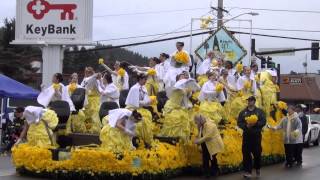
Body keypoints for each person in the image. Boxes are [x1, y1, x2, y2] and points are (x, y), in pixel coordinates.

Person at [237, 96, 266, 178]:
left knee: (257, 153)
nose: (249, 102)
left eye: (250, 100)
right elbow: (239, 122)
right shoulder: (243, 112)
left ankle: (257, 168)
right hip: (246, 136)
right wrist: (246, 126)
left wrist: (255, 124)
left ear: (254, 101)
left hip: (256, 136)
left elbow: (263, 121)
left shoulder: (259, 112)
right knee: (246, 153)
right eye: (248, 100)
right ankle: (248, 171)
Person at [125, 73, 154, 146]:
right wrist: (145, 102)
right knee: (142, 120)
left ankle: (145, 140)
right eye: (145, 79)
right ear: (140, 79)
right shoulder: (135, 88)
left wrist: (148, 101)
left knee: (148, 116)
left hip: (140, 107)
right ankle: (138, 138)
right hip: (133, 108)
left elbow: (145, 98)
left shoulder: (143, 87)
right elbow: (135, 103)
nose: (145, 81)